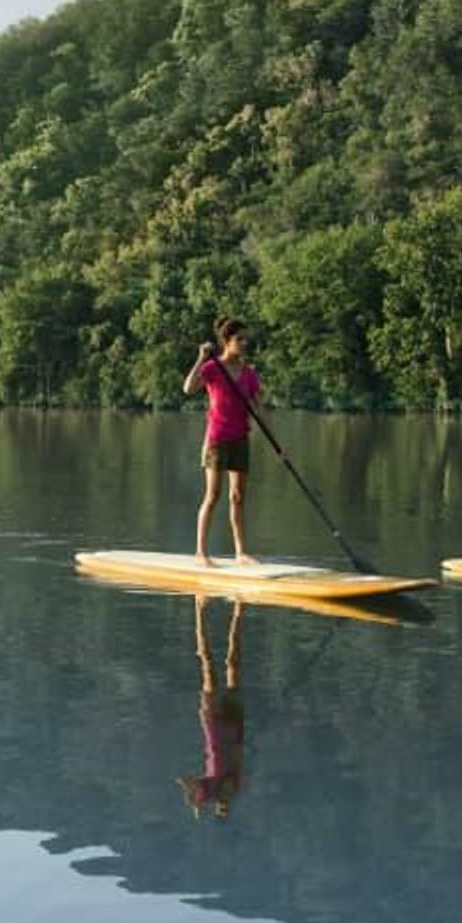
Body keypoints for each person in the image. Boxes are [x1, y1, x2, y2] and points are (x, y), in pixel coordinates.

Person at [183, 316, 274, 566]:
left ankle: (241, 553)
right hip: (217, 439)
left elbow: (260, 408)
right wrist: (201, 358)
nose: (244, 343)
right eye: (239, 339)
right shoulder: (212, 368)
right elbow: (188, 388)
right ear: (227, 341)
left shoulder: (249, 374)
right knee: (213, 496)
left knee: (237, 497)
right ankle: (201, 553)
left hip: (240, 438)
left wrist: (277, 443)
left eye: (246, 339)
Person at [178, 595, 245, 820]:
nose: (224, 801)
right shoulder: (235, 785)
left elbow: (186, 780)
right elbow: (239, 756)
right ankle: (238, 608)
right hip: (234, 724)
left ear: (215, 803)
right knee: (233, 664)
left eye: (220, 806)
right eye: (226, 806)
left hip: (214, 721)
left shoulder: (209, 791)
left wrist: (192, 799)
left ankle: (198, 607)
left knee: (207, 663)